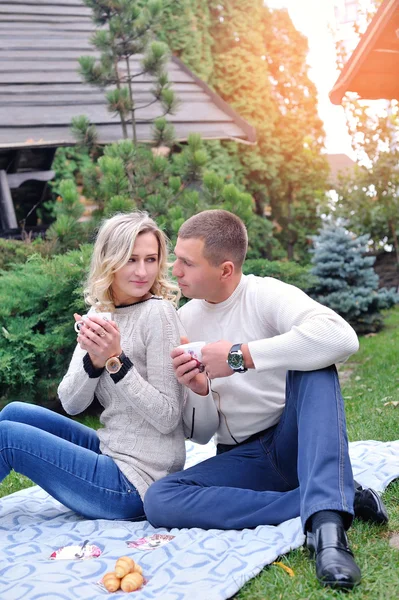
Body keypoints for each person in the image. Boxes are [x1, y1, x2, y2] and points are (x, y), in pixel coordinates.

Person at [144, 209, 388, 590]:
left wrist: (239, 356)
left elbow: (342, 338)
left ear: (225, 270)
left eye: (187, 262)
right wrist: (200, 392)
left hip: (295, 441)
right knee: (160, 499)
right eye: (176, 257)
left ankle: (327, 531)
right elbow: (201, 434)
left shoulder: (264, 294)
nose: (174, 270)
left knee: (317, 364)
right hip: (242, 458)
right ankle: (329, 496)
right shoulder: (183, 320)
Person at [0, 212, 186, 521]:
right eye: (131, 259)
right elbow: (72, 403)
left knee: (6, 438)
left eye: (151, 259)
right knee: (16, 413)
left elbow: (168, 417)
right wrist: (95, 361)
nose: (142, 271)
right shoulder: (100, 313)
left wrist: (116, 361)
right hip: (111, 452)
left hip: (134, 485)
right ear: (110, 260)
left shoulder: (159, 314)